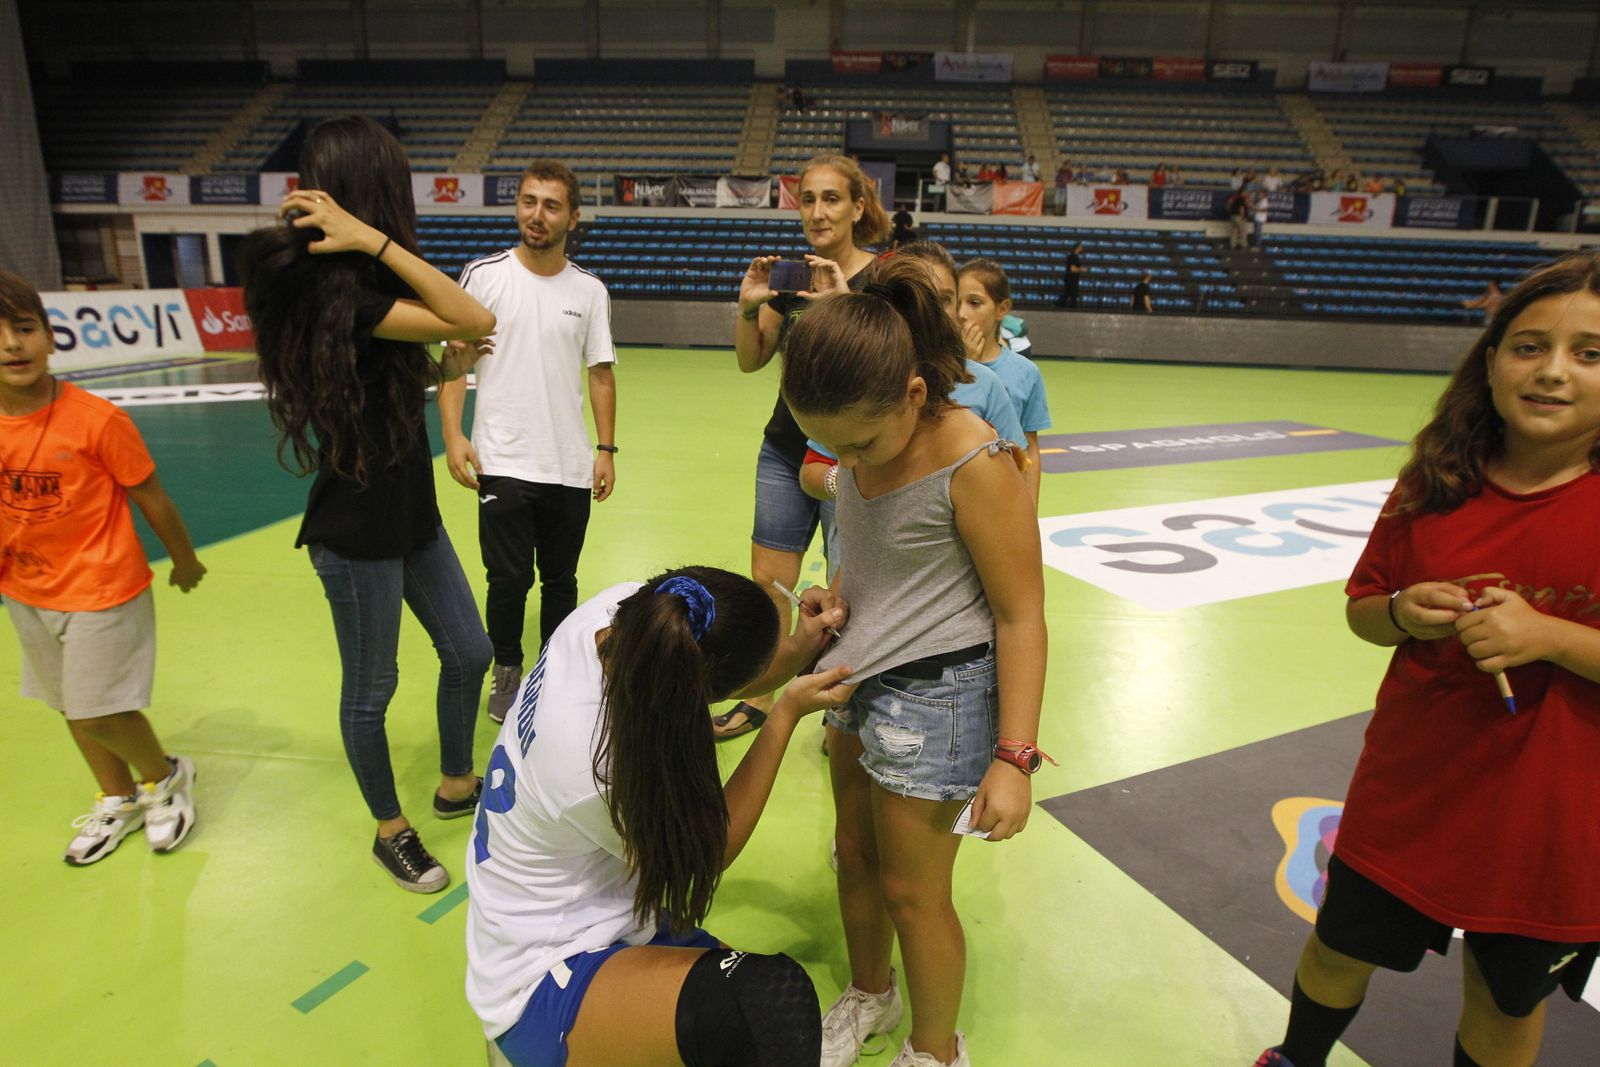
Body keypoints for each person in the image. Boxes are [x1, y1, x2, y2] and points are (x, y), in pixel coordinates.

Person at [1255, 252, 1600, 1067]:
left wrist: (1550, 637)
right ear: (1490, 361)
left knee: (1503, 997)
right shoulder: (1436, 480)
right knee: (1339, 947)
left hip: (1551, 814)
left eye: (1590, 352)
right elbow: (1366, 611)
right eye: (1529, 346)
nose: (1553, 372)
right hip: (1411, 786)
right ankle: (1296, 1056)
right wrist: (1406, 612)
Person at [782, 256, 1048, 1067]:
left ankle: (935, 1050)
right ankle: (871, 991)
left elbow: (1022, 614)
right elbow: (878, 552)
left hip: (939, 695)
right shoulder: (862, 438)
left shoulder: (975, 461)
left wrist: (1014, 756)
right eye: (830, 444)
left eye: (859, 441)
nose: (847, 459)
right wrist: (832, 595)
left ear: (915, 394)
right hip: (854, 676)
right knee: (854, 859)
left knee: (914, 891)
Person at [239, 115, 497, 893]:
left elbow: (378, 377)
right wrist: (375, 240)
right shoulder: (334, 291)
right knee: (371, 690)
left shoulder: (359, 294)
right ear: (371, 193)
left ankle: (457, 784)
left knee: (471, 652)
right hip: (355, 533)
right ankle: (392, 829)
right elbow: (476, 316)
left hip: (410, 513)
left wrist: (431, 370)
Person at [466, 566, 855, 1067]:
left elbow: (740, 666)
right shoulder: (598, 761)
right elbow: (709, 850)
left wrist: (800, 647)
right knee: (768, 1009)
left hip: (582, 904)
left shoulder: (636, 613)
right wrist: (780, 716)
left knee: (744, 1018)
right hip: (540, 973)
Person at [0, 269, 205, 866]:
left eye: (25, 328)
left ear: (50, 336)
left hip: (103, 584)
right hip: (27, 588)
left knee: (95, 707)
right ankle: (117, 796)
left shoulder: (96, 419)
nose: (13, 344)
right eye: (1, 332)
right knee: (69, 704)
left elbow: (153, 498)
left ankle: (164, 777)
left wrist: (185, 561)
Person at [439, 159, 618, 725]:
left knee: (560, 581)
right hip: (503, 457)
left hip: (567, 464)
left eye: (550, 205)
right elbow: (452, 363)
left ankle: (554, 670)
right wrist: (453, 434)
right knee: (508, 578)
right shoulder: (484, 275)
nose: (536, 215)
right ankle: (508, 667)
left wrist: (606, 449)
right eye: (527, 202)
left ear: (573, 216)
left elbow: (601, 373)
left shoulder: (589, 290)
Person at [728, 153, 888, 740]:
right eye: (809, 199)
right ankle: (765, 694)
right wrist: (750, 306)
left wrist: (842, 307)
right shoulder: (791, 279)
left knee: (849, 587)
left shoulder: (882, 279)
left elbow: (885, 371)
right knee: (769, 582)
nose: (818, 212)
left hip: (851, 455)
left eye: (832, 199)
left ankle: (838, 702)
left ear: (858, 207)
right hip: (784, 450)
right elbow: (751, 360)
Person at [796, 243, 1028, 578]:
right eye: (914, 296)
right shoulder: (857, 380)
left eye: (947, 298)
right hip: (858, 564)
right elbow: (812, 470)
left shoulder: (985, 385)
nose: (932, 309)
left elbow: (1017, 469)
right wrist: (851, 481)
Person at [957, 256, 1052, 507]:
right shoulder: (941, 368)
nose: (962, 314)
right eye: (955, 302)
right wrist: (965, 364)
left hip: (1003, 500)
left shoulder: (1026, 373)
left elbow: (1030, 448)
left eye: (975, 303)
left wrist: (1030, 507)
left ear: (1001, 309)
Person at [1056, 241, 1086, 307]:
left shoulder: (1073, 256)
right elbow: (1072, 269)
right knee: (1073, 293)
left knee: (1068, 293)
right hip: (1071, 278)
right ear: (1077, 248)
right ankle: (1071, 306)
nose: (1082, 248)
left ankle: (1060, 304)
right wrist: (1082, 269)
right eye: (1081, 247)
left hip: (1070, 278)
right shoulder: (1073, 257)